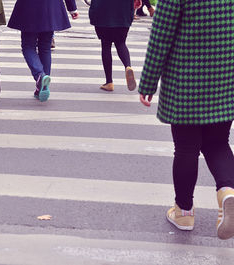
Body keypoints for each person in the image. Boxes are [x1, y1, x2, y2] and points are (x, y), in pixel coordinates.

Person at [139, 0, 234, 240]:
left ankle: (183, 212)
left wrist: (148, 82)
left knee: (185, 149)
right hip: (225, 78)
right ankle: (228, 192)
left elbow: (161, 38)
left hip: (186, 81)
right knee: (218, 144)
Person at [8, 0, 79, 102]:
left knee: (28, 46)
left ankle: (40, 76)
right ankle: (42, 87)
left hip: (29, 7)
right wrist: (72, 8)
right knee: (45, 48)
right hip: (51, 7)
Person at [89, 0, 136, 92]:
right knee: (121, 43)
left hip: (102, 13)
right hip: (123, 13)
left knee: (106, 45)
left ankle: (109, 82)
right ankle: (128, 66)